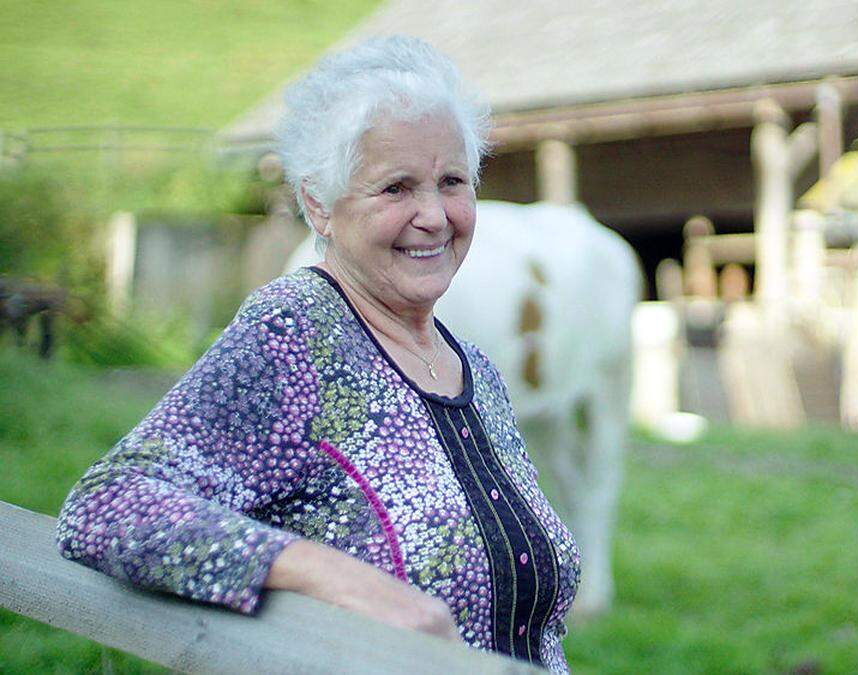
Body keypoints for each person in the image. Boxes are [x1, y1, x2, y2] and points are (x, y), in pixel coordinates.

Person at [56, 36, 580, 673]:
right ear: (318, 205)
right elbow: (109, 503)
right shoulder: (295, 337)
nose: (435, 216)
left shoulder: (473, 368)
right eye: (396, 188)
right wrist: (326, 575)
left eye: (452, 182)